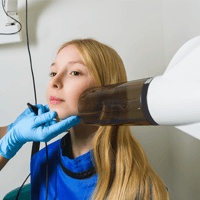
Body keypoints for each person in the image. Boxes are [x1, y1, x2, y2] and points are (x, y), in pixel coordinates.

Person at [2, 38, 169, 199]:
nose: (54, 81)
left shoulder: (142, 189)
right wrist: (12, 135)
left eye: (75, 72)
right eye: (53, 72)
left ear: (106, 92)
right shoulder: (42, 159)